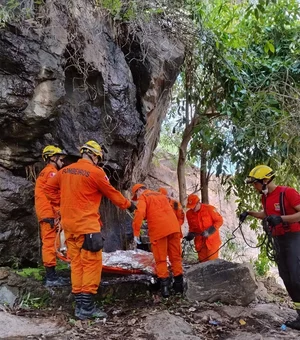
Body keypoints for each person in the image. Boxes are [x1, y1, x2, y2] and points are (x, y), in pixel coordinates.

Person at [44, 140, 135, 320]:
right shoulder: (95, 172)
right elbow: (112, 193)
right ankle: (87, 307)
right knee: (91, 265)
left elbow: (48, 189)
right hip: (87, 227)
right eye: (98, 159)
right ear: (94, 156)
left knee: (76, 264)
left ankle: (79, 305)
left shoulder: (64, 171)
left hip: (70, 227)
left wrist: (62, 206)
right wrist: (130, 205)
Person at [240, 164, 300, 330]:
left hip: (294, 238)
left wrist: (281, 219)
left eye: (255, 183)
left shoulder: (287, 192)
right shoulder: (265, 197)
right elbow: (266, 214)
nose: (254, 187)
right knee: (287, 277)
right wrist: (249, 213)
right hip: (279, 240)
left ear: (265, 180)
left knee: (296, 277)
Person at [132, 184, 184, 297]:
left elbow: (140, 213)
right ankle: (179, 286)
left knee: (161, 259)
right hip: (174, 228)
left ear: (139, 190)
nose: (137, 197)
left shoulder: (144, 197)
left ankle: (165, 289)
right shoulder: (161, 195)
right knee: (175, 257)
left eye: (136, 195)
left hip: (159, 230)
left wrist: (136, 231)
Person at [35, 145, 68, 287]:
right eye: (60, 158)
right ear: (53, 158)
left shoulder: (45, 172)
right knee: (49, 244)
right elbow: (52, 193)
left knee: (49, 243)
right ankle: (51, 278)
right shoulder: (51, 173)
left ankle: (52, 275)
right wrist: (59, 210)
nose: (63, 162)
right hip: (49, 213)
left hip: (45, 212)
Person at [184, 194, 223, 262]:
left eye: (194, 206)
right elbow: (192, 228)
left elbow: (220, 221)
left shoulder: (210, 209)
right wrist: (190, 235)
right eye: (191, 207)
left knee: (212, 264)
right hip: (200, 243)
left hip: (211, 242)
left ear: (198, 203)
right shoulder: (189, 214)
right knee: (202, 265)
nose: (192, 209)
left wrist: (210, 231)